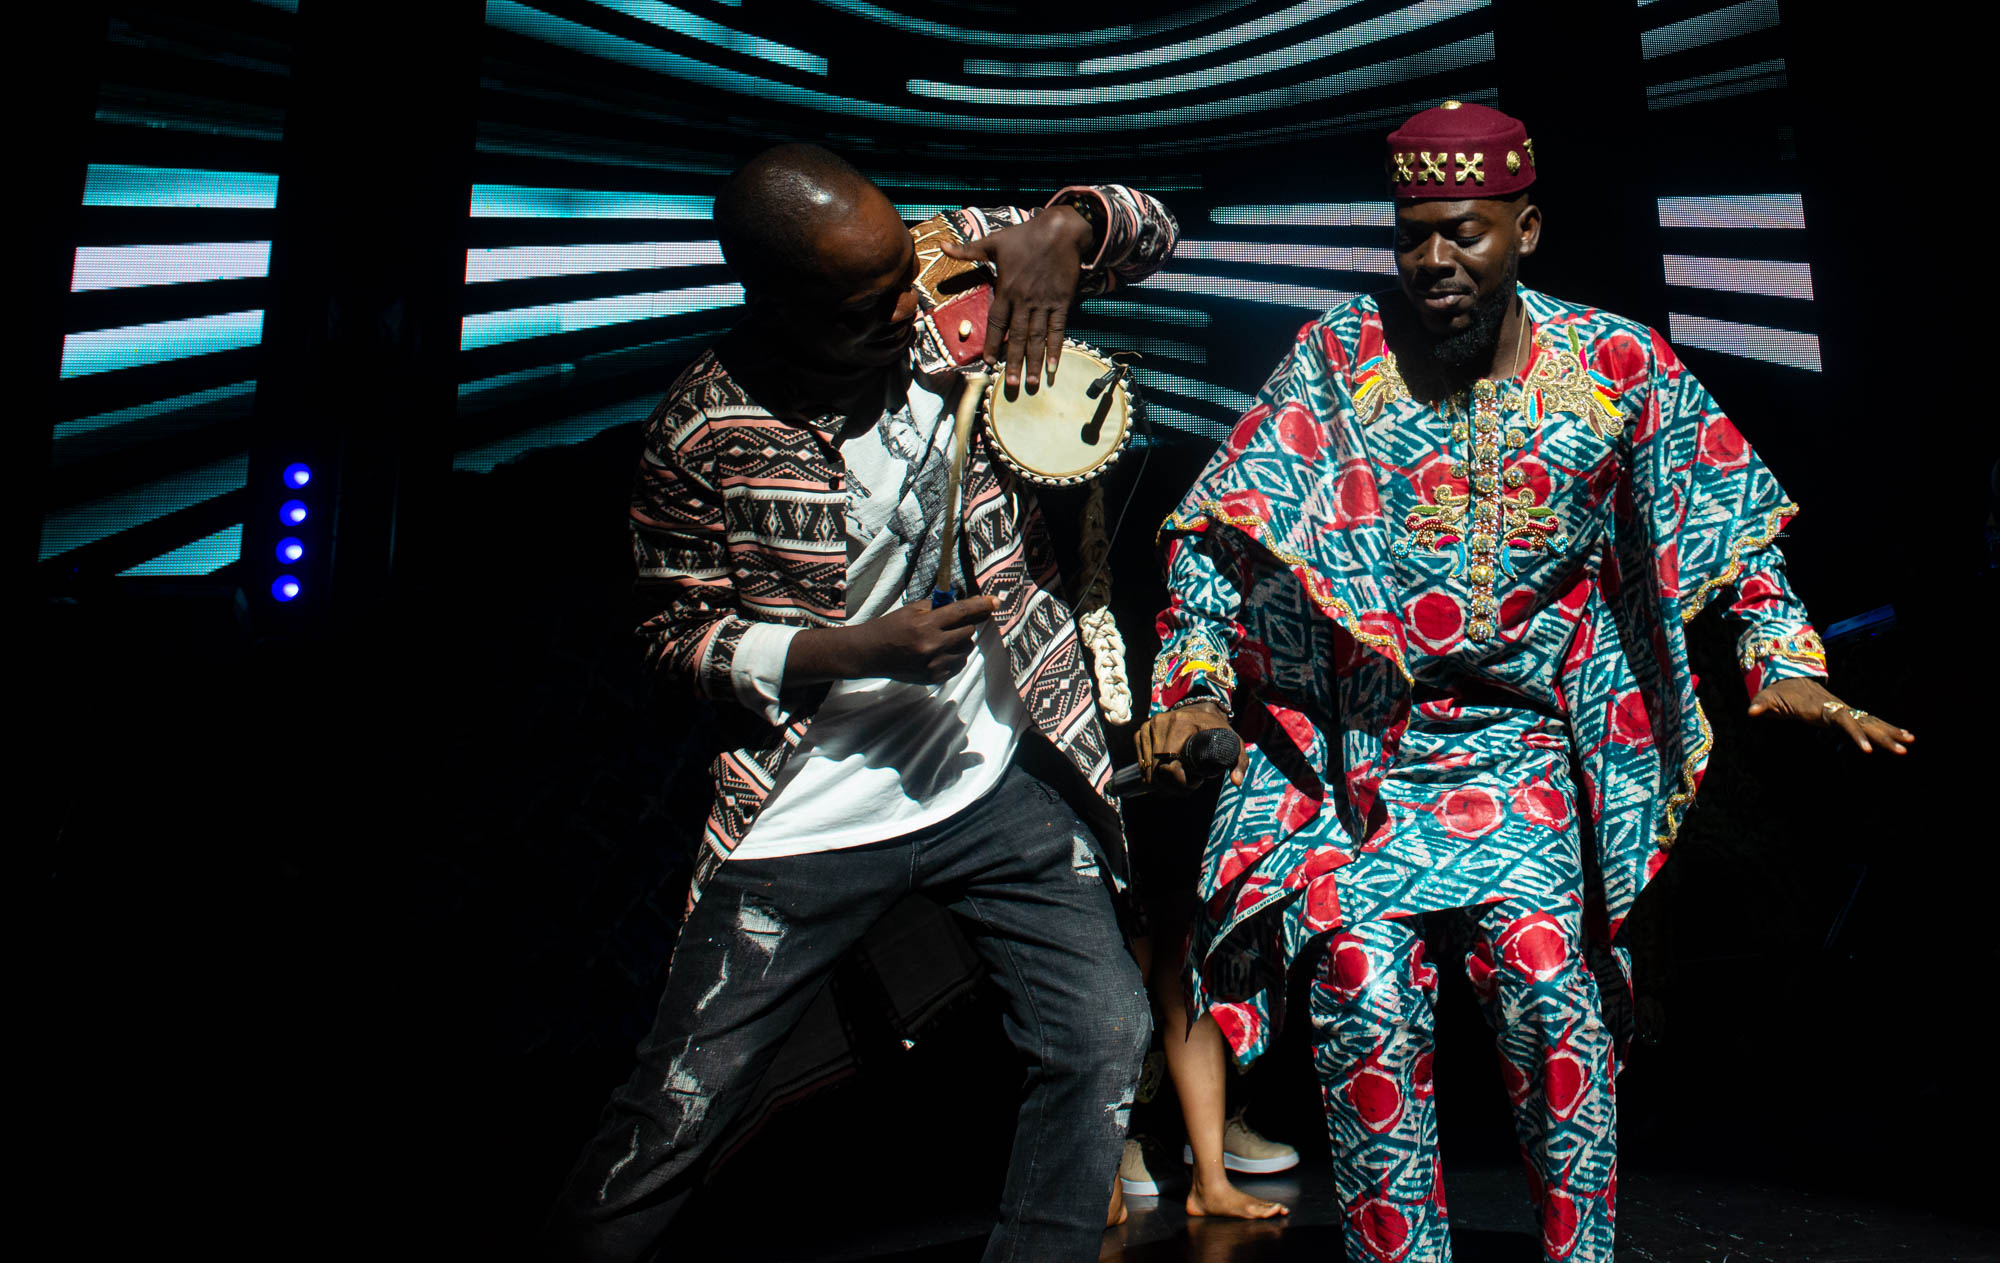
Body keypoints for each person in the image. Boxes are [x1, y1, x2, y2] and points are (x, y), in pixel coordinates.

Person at [1135, 101, 1911, 1263]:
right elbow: (1219, 537)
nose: (1433, 260)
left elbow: (1729, 530)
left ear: (1526, 227)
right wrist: (1188, 687)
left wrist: (1782, 659)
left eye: (1463, 232)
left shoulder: (1612, 366)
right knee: (1362, 990)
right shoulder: (1337, 362)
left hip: (1524, 750)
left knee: (1552, 987)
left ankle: (1578, 1255)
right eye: (1410, 235)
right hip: (1363, 761)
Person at [540, 144, 1180, 1262]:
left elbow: (1151, 225)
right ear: (775, 300)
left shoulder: (938, 269)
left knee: (1103, 1033)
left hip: (989, 780)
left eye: (900, 275)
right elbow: (668, 640)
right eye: (860, 304)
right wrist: (842, 649)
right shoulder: (705, 428)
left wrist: (1066, 231)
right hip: (808, 809)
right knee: (676, 1112)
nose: (904, 309)